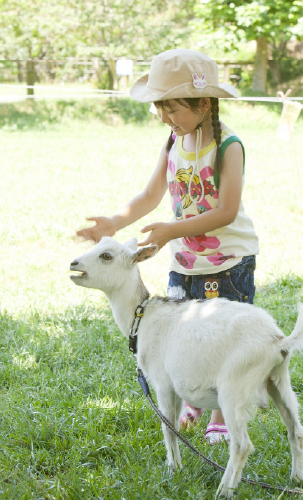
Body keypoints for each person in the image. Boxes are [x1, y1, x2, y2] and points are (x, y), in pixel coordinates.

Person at [76, 49, 259, 445]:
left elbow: (226, 211)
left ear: (203, 103)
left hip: (226, 263)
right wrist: (114, 222)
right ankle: (192, 392)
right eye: (159, 106)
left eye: (171, 108)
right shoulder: (172, 142)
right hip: (184, 262)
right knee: (185, 332)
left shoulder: (229, 147)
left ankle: (221, 413)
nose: (163, 116)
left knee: (221, 335)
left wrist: (173, 229)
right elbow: (150, 194)